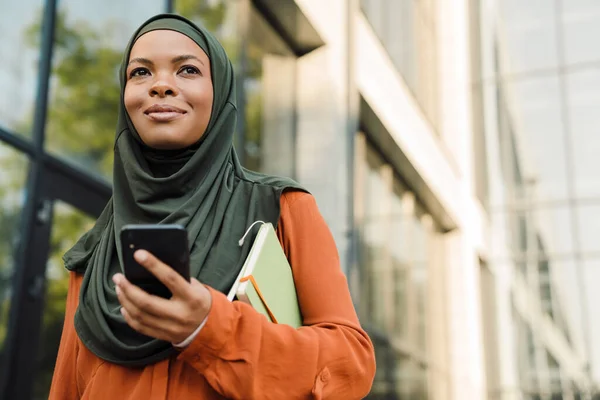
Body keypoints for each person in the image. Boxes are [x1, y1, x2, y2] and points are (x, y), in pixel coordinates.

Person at [49, 13, 375, 400]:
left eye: (187, 70)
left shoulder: (279, 208)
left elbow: (350, 366)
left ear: (219, 92)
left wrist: (209, 326)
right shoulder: (98, 248)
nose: (161, 86)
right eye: (140, 73)